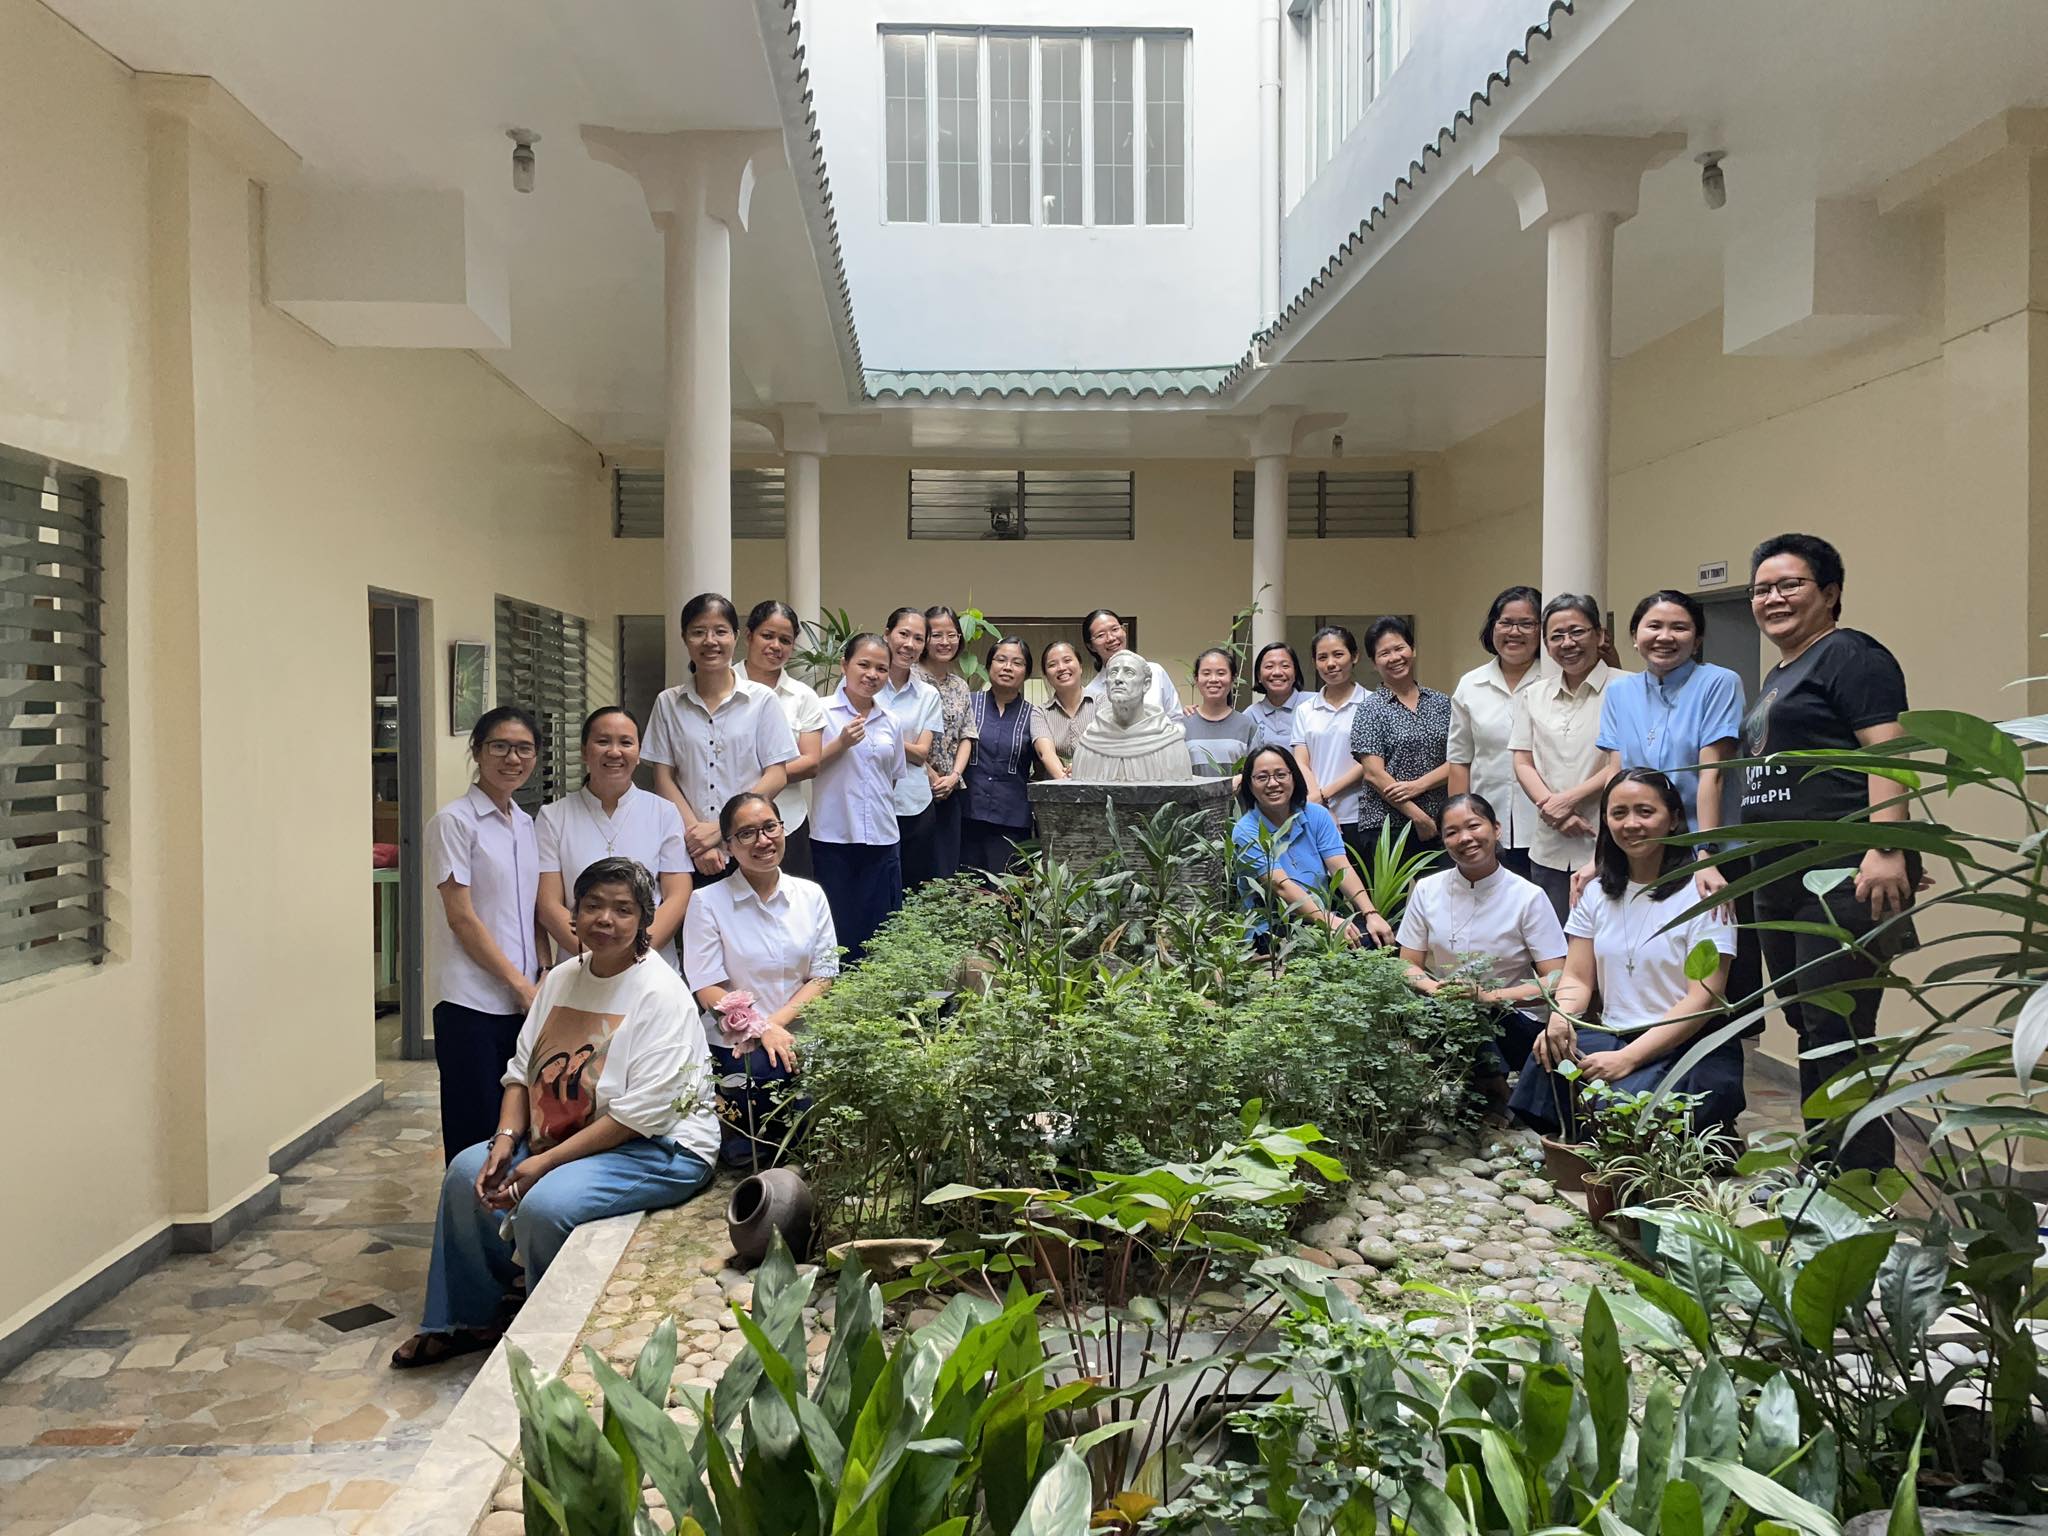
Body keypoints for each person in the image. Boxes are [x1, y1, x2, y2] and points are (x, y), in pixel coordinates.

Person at [392, 858, 719, 1368]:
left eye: (622, 909)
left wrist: (542, 1163)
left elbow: (641, 1115)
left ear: (644, 919)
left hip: (658, 1146)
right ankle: (469, 1319)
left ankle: (547, 1341)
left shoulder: (661, 992)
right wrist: (505, 1140)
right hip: (565, 1134)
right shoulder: (563, 978)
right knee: (464, 1173)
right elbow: (521, 1073)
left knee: (546, 1204)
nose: (605, 919)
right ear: (574, 914)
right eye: (592, 905)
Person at [1738, 532, 1916, 1172]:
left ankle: (1859, 1183)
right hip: (1782, 876)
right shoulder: (1782, 673)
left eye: (1790, 585)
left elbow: (1887, 753)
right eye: (1762, 589)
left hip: (1839, 873)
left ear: (1831, 592)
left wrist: (1888, 846)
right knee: (1810, 1025)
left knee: (1839, 1029)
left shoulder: (1850, 654)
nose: (1773, 598)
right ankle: (1823, 1170)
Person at [1513, 770, 1743, 1141]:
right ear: (1606, 821)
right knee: (1547, 1055)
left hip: (1687, 1043)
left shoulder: (1705, 894)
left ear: (1673, 819)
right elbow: (1577, 977)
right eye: (1619, 813)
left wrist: (1629, 1058)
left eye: (1645, 812)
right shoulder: (1595, 894)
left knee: (1626, 1105)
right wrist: (1560, 1017)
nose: (1631, 824)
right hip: (1614, 1033)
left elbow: (1703, 999)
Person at [683, 793, 839, 1169]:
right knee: (766, 1081)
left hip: (801, 1032)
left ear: (783, 829)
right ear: (729, 845)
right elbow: (707, 987)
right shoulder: (707, 902)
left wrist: (774, 1025)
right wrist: (759, 1029)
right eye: (747, 833)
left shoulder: (811, 896)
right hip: (736, 1040)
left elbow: (823, 976)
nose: (763, 840)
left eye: (770, 827)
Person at [427, 706, 547, 1164]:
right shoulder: (454, 822)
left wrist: (542, 971)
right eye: (500, 746)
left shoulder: (525, 823)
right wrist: (519, 985)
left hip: (523, 1003)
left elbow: (532, 909)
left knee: (519, 1127)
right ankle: (468, 1209)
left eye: (524, 749)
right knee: (474, 1132)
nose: (512, 758)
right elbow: (461, 917)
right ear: (477, 751)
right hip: (472, 1004)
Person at [1397, 794, 1567, 1091]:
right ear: (1444, 841)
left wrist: (1489, 997)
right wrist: (1437, 989)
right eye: (1452, 832)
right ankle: (1490, 1095)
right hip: (1448, 1011)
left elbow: (1555, 979)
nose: (1465, 838)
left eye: (1474, 826)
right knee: (1414, 1010)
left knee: (1472, 1013)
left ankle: (1496, 1096)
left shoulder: (1528, 896)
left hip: (1515, 1021)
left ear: (1496, 829)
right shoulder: (1427, 890)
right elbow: (1407, 964)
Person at [643, 593, 798, 886]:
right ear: (684, 638)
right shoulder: (668, 703)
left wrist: (722, 829)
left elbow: (777, 774)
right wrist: (698, 839)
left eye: (720, 631)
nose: (710, 641)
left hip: (751, 845)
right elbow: (663, 779)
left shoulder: (762, 700)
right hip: (690, 850)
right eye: (698, 632)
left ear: (736, 637)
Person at [1593, 589, 1743, 879]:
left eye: (1679, 627)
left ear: (1697, 640)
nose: (1665, 637)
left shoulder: (1719, 683)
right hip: (1641, 848)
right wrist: (1601, 854)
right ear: (1635, 636)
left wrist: (1707, 854)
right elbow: (1616, 775)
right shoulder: (1619, 692)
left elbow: (1712, 772)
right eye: (1654, 626)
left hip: (1706, 847)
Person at [535, 706, 691, 973]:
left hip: (650, 968)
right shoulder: (553, 817)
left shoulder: (663, 812)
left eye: (626, 743)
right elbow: (549, 905)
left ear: (639, 753)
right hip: (578, 967)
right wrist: (598, 956)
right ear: (584, 751)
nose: (615, 752)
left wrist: (636, 952)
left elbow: (677, 895)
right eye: (603, 741)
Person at [1510, 594, 1614, 918]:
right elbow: (1522, 761)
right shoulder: (1534, 694)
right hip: (1549, 847)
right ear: (1546, 644)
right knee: (1552, 941)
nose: (1567, 643)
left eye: (1577, 632)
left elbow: (1625, 760)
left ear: (1600, 635)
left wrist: (1566, 801)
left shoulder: (1628, 688)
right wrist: (1553, 810)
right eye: (1556, 636)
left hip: (1609, 844)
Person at [1232, 745, 1394, 949]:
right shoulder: (1245, 830)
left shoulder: (1317, 815)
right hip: (1274, 928)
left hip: (1320, 917)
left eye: (1281, 774)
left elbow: (1340, 867)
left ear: (1294, 777)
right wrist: (1328, 921)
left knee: (1378, 937)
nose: (1273, 783)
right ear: (1249, 784)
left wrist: (1370, 913)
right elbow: (1281, 887)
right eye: (1262, 777)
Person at [810, 633, 908, 962]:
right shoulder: (820, 711)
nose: (872, 674)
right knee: (837, 928)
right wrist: (840, 743)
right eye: (863, 665)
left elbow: (892, 777)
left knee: (880, 930)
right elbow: (806, 768)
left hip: (882, 838)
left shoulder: (891, 721)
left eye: (881, 668)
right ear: (844, 665)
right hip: (833, 837)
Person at [1447, 586, 1543, 876]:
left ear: (1542, 630)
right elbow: (1460, 760)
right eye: (1506, 623)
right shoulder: (1470, 685)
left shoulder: (1554, 681)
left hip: (1547, 824)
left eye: (1526, 624)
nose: (1514, 632)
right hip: (1486, 828)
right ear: (1492, 628)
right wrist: (1461, 825)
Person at [1351, 616, 1454, 862]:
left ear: (1413, 649)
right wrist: (1418, 817)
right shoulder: (1370, 709)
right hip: (1387, 825)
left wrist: (1419, 785)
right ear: (1374, 662)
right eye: (1384, 653)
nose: (1394, 657)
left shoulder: (1442, 703)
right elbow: (1374, 774)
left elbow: (1458, 760)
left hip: (1440, 822)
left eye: (1399, 648)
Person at [738, 600, 827, 879]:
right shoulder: (723, 687)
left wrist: (763, 777)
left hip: (787, 823)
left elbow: (811, 762)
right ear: (749, 636)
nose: (775, 646)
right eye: (767, 635)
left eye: (785, 640)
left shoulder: (803, 696)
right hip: (728, 826)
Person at [961, 637, 1066, 873]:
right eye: (1001, 660)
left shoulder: (1035, 715)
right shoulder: (968, 703)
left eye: (1017, 663)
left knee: (1007, 891)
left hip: (1012, 822)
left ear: (1026, 672)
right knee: (964, 888)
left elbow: (1043, 765)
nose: (1007, 667)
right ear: (989, 665)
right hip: (966, 816)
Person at [914, 605, 980, 883]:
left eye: (951, 635)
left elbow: (967, 735)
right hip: (914, 785)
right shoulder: (911, 678)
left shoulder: (959, 685)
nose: (945, 642)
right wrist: (930, 775)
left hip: (950, 790)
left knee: (947, 869)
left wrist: (953, 776)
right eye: (936, 635)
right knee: (917, 867)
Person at [877, 607, 943, 886]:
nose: (909, 644)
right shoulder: (861, 684)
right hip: (869, 801)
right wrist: (905, 744)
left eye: (918, 639)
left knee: (914, 888)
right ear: (887, 634)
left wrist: (877, 734)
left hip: (914, 802)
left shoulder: (928, 695)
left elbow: (921, 754)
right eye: (903, 634)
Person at [1293, 625, 1369, 853]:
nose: (1330, 663)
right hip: (1315, 814)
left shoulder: (1372, 704)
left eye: (1338, 654)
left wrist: (1324, 795)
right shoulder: (1306, 710)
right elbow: (1301, 762)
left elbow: (1368, 763)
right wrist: (1320, 804)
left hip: (1361, 815)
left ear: (1354, 656)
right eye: (1322, 657)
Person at [1080, 608, 1181, 717]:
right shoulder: (1092, 693)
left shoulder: (1155, 672)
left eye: (1115, 629)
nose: (1111, 638)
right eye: (1101, 635)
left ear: (1124, 630)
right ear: (1091, 646)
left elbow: (1175, 717)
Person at [1184, 647, 1256, 780]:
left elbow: (1257, 772)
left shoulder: (1247, 726)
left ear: (1233, 678)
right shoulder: (1183, 724)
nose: (1213, 679)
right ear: (1196, 679)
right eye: (1206, 673)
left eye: (1221, 673)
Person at [1040, 639, 1097, 765]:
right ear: (1046, 676)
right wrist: (1064, 776)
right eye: (1052, 665)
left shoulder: (1102, 702)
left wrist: (1080, 769)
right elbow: (1046, 753)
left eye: (1067, 660)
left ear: (1080, 666)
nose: (1061, 668)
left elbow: (1108, 746)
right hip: (1056, 777)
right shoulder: (1040, 713)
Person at [1246, 640, 1307, 753]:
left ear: (1295, 673)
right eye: (1269, 666)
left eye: (1285, 666)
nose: (1277, 672)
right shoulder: (1251, 715)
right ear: (1259, 676)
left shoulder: (1313, 704)